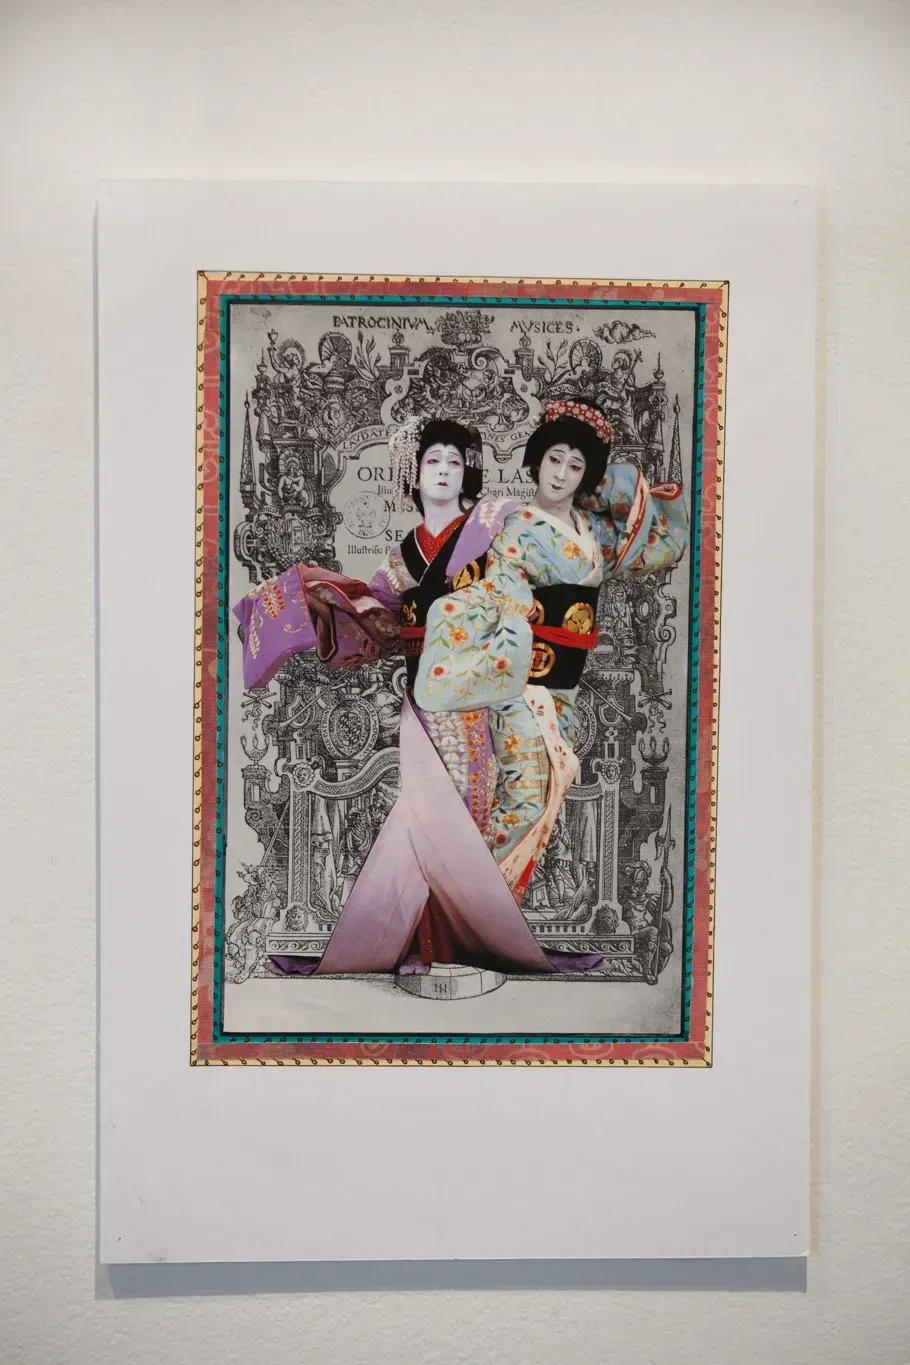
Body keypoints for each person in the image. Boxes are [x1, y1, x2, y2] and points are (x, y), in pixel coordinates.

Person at [233, 417, 596, 977]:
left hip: (483, 695)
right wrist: (310, 600)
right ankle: (428, 946)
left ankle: (459, 943)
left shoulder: (495, 522)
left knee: (472, 814)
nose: (445, 470)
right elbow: (374, 622)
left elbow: (555, 581)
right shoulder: (401, 559)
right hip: (425, 702)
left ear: (467, 471)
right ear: (414, 472)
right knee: (429, 817)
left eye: (454, 461)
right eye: (433, 461)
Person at [415, 399, 688, 904]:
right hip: (521, 682)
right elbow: (501, 592)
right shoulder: (516, 528)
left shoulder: (593, 529)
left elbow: (662, 548)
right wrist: (519, 608)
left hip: (564, 686)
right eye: (554, 459)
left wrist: (616, 488)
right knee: (525, 796)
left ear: (587, 476)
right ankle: (464, 905)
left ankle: (485, 905)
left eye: (576, 466)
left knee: (546, 798)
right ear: (536, 460)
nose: (560, 474)